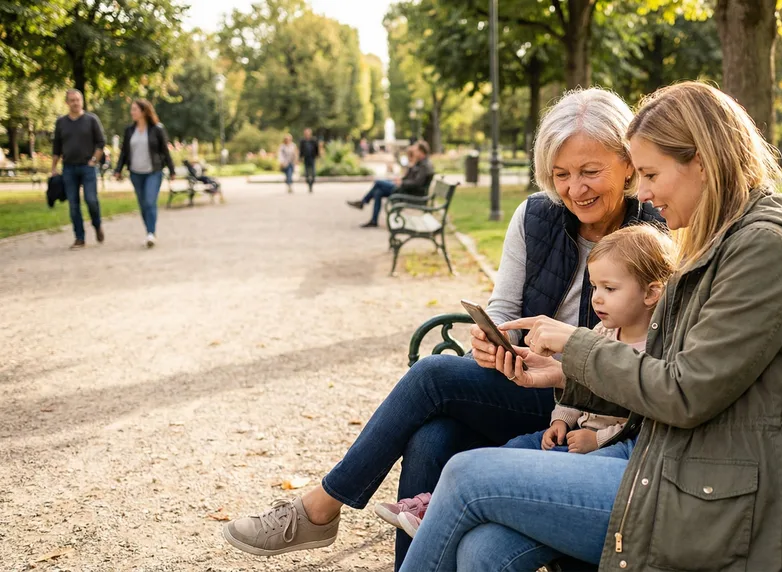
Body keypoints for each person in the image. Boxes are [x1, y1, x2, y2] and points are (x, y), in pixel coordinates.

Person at [399, 81, 782, 571]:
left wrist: (577, 347)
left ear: (702, 161)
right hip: (673, 467)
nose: (643, 191)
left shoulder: (766, 249)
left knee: (466, 475)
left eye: (650, 173)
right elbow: (669, 372)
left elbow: (685, 392)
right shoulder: (724, 239)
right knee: (484, 546)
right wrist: (564, 373)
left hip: (717, 503)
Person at [221, 88, 663, 570]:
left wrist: (563, 359)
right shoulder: (536, 216)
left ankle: (322, 506)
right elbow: (504, 309)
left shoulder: (656, 233)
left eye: (590, 171)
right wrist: (493, 342)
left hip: (593, 407)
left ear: (627, 164)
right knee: (431, 436)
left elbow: (652, 357)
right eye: (561, 175)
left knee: (432, 376)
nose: (575, 189)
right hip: (524, 385)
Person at [382, 224, 678, 540]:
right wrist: (561, 420)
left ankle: (440, 510)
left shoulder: (655, 352)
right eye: (594, 287)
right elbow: (576, 383)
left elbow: (639, 419)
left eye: (610, 289)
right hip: (571, 435)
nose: (597, 299)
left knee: (441, 390)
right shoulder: (601, 334)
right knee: (507, 451)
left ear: (651, 293)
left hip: (602, 452)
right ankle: (436, 504)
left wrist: (598, 439)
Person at [113, 99, 175, 248]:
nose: (132, 112)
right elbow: (124, 152)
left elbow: (165, 151)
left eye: (135, 109)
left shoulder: (157, 129)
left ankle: (151, 233)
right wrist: (118, 170)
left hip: (153, 171)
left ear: (144, 111)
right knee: (142, 204)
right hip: (136, 173)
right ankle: (149, 231)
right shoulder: (129, 130)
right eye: (132, 109)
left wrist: (172, 170)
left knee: (149, 201)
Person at [51, 89, 107, 250]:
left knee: (91, 200)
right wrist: (53, 168)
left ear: (81, 101)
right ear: (67, 103)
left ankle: (97, 224)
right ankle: (79, 238)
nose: (75, 103)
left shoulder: (91, 120)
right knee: (73, 205)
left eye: (78, 100)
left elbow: (101, 142)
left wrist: (94, 160)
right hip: (69, 168)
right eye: (72, 100)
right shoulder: (61, 122)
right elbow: (56, 147)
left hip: (87, 167)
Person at [347, 140, 435, 228]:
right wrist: (401, 180)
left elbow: (417, 183)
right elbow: (411, 179)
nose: (414, 152)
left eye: (416, 150)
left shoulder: (425, 165)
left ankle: (363, 202)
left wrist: (402, 182)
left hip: (409, 193)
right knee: (378, 192)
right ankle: (373, 220)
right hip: (405, 190)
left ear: (421, 152)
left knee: (378, 182)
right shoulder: (421, 163)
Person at [299, 128, 319, 193]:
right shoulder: (302, 141)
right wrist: (300, 157)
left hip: (312, 158)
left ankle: (311, 184)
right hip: (306, 158)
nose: (307, 134)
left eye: (308, 133)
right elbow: (301, 150)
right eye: (306, 133)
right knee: (307, 173)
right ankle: (309, 183)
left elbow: (316, 149)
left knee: (313, 173)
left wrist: (317, 156)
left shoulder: (314, 140)